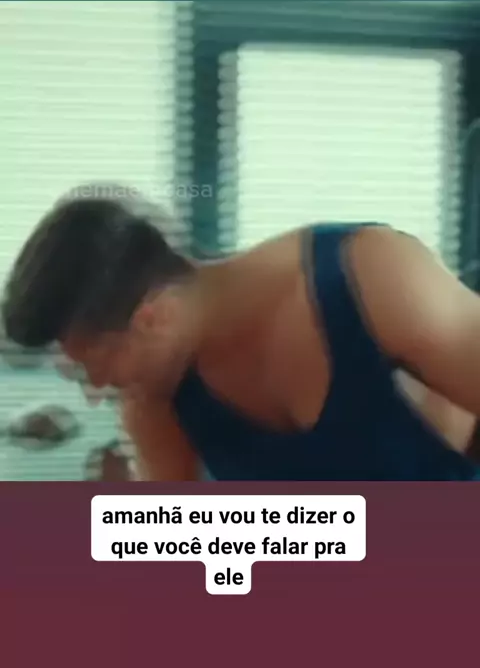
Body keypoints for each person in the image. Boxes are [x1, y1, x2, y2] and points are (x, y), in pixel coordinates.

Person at [1, 186, 480, 481]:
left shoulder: (372, 274)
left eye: (97, 367)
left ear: (152, 318)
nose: (94, 393)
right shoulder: (153, 399)